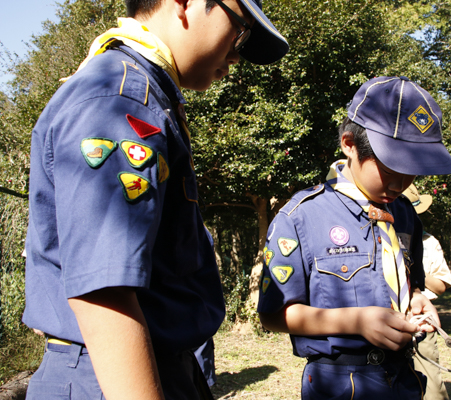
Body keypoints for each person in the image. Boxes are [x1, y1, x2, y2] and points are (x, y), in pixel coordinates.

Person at [22, 0, 288, 399]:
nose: (237, 53)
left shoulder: (147, 93)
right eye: (241, 30)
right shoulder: (121, 98)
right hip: (110, 376)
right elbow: (104, 293)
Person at [257, 76, 451, 399]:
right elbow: (273, 315)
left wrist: (416, 298)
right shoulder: (301, 217)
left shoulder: (404, 213)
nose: (402, 182)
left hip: (404, 379)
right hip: (338, 385)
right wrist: (357, 321)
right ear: (349, 144)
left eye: (414, 170)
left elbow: (411, 280)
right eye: (391, 167)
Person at [403, 184, 451, 400]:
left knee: (431, 388)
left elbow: (441, 286)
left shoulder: (429, 242)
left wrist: (414, 270)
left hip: (421, 323)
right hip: (385, 319)